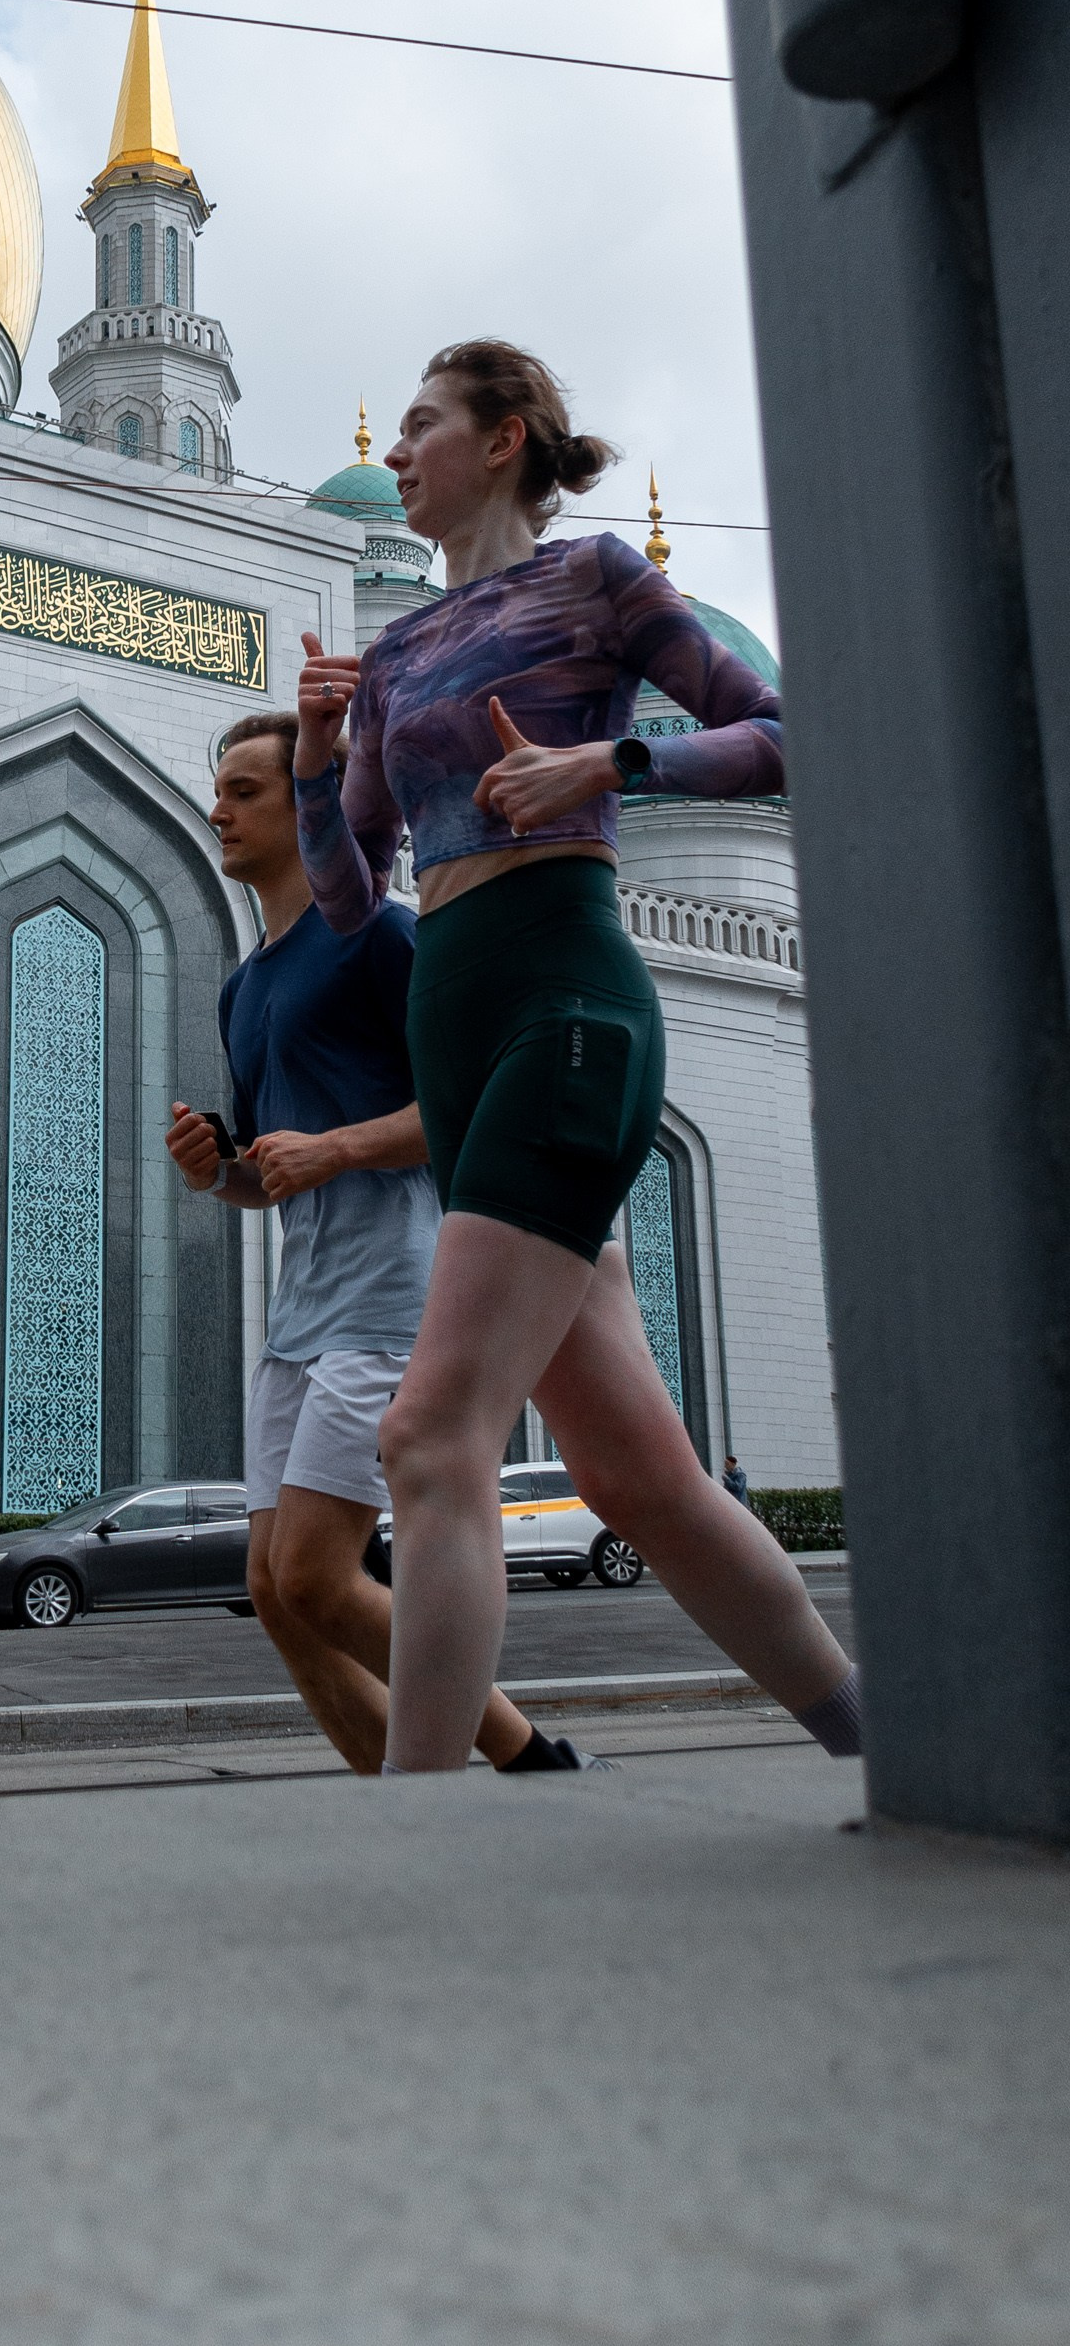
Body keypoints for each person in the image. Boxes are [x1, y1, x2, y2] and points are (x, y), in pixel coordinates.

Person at [291, 340, 862, 1773]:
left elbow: (789, 732)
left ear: (504, 439)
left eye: (424, 422)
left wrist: (606, 766)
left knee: (430, 1438)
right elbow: (357, 902)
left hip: (565, 1002)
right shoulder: (400, 653)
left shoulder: (600, 579)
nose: (399, 447)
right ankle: (882, 1739)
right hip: (458, 1026)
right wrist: (315, 766)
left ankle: (425, 1833)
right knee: (638, 1478)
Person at [166, 712, 602, 1777]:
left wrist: (337, 1148)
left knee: (317, 1574)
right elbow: (273, 1175)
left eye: (246, 790)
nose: (218, 809)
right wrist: (214, 1170)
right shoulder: (244, 986)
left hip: (394, 1288)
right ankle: (405, 1808)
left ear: (308, 803)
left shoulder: (381, 936)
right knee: (276, 1595)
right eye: (218, 789)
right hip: (303, 1311)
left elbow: (470, 1102)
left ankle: (527, 1758)